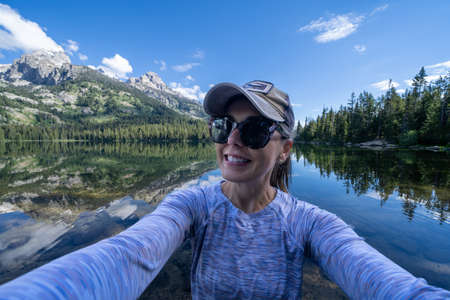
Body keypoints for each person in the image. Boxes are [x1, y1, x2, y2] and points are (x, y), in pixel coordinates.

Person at [0, 80, 448, 300]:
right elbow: (130, 253)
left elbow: (387, 283)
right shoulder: (190, 203)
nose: (232, 142)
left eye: (252, 132)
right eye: (223, 127)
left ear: (285, 149)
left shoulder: (311, 222)